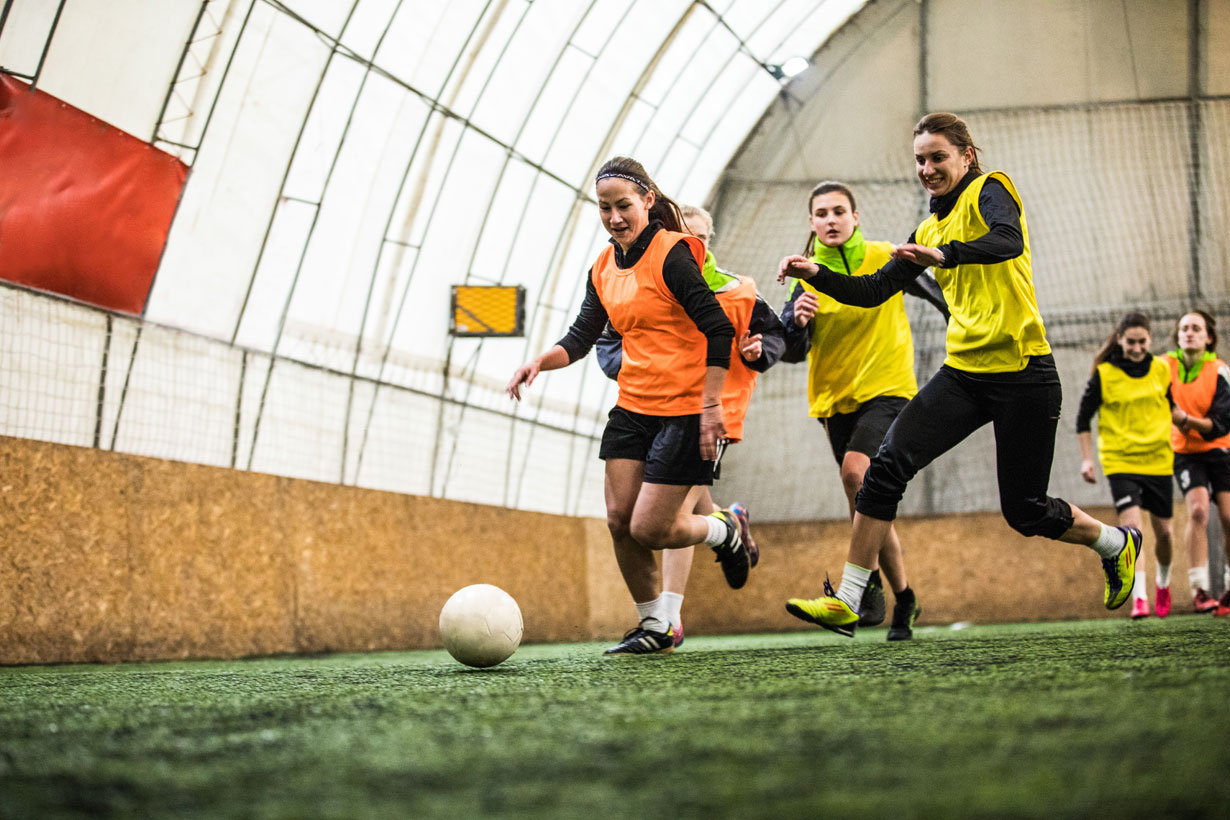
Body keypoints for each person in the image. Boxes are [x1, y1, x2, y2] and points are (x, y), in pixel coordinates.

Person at [776, 112, 1144, 637]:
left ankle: (1116, 543)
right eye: (920, 160)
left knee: (1026, 511)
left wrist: (944, 255)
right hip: (964, 375)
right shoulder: (926, 228)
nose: (927, 168)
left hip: (1024, 374)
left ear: (966, 156)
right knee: (883, 469)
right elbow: (874, 290)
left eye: (937, 157)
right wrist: (818, 273)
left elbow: (1006, 241)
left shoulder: (992, 189)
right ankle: (851, 598)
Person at [507, 157, 752, 656]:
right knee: (620, 520)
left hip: (686, 408)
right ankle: (654, 625)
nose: (615, 217)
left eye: (623, 205)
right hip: (634, 407)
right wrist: (539, 362)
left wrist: (710, 407)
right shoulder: (602, 266)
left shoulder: (672, 255)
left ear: (647, 202)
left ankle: (724, 530)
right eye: (604, 208)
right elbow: (581, 338)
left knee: (652, 528)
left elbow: (719, 329)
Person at [595, 204, 786, 647]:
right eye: (681, 242)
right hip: (647, 408)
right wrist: (642, 361)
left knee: (668, 516)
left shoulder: (736, 292)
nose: (688, 251)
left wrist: (764, 349)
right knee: (646, 517)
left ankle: (670, 617)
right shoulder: (648, 282)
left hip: (704, 415)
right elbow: (609, 342)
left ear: (708, 241)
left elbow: (778, 335)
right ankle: (725, 529)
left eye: (697, 241)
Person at [779, 181, 949, 640]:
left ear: (856, 216)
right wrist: (796, 323)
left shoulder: (883, 256)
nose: (831, 219)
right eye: (821, 213)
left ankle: (862, 587)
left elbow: (940, 297)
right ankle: (905, 596)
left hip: (889, 387)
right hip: (835, 401)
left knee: (858, 475)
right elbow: (790, 351)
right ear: (811, 224)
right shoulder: (804, 276)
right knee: (869, 505)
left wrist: (966, 325)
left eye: (839, 211)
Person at [1076, 312, 1182, 618]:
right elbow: (1083, 420)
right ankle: (1140, 598)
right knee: (1133, 530)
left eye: (1142, 342)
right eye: (1131, 342)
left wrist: (1196, 424)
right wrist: (1087, 460)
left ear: (1149, 340)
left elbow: (1170, 407)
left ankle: (1162, 585)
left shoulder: (1161, 369)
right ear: (1120, 340)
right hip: (1120, 460)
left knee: (1164, 533)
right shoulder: (1105, 374)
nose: (1136, 348)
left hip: (1158, 459)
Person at [1163, 310, 1230, 615]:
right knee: (1199, 511)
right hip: (1185, 453)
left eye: (1196, 328)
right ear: (1178, 336)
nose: (1189, 332)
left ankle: (1228, 588)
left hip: (1219, 449)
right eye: (1184, 328)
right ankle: (1199, 589)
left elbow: (1220, 424)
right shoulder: (1163, 367)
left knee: (1228, 517)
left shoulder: (1219, 371)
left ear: (1209, 337)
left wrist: (1184, 419)